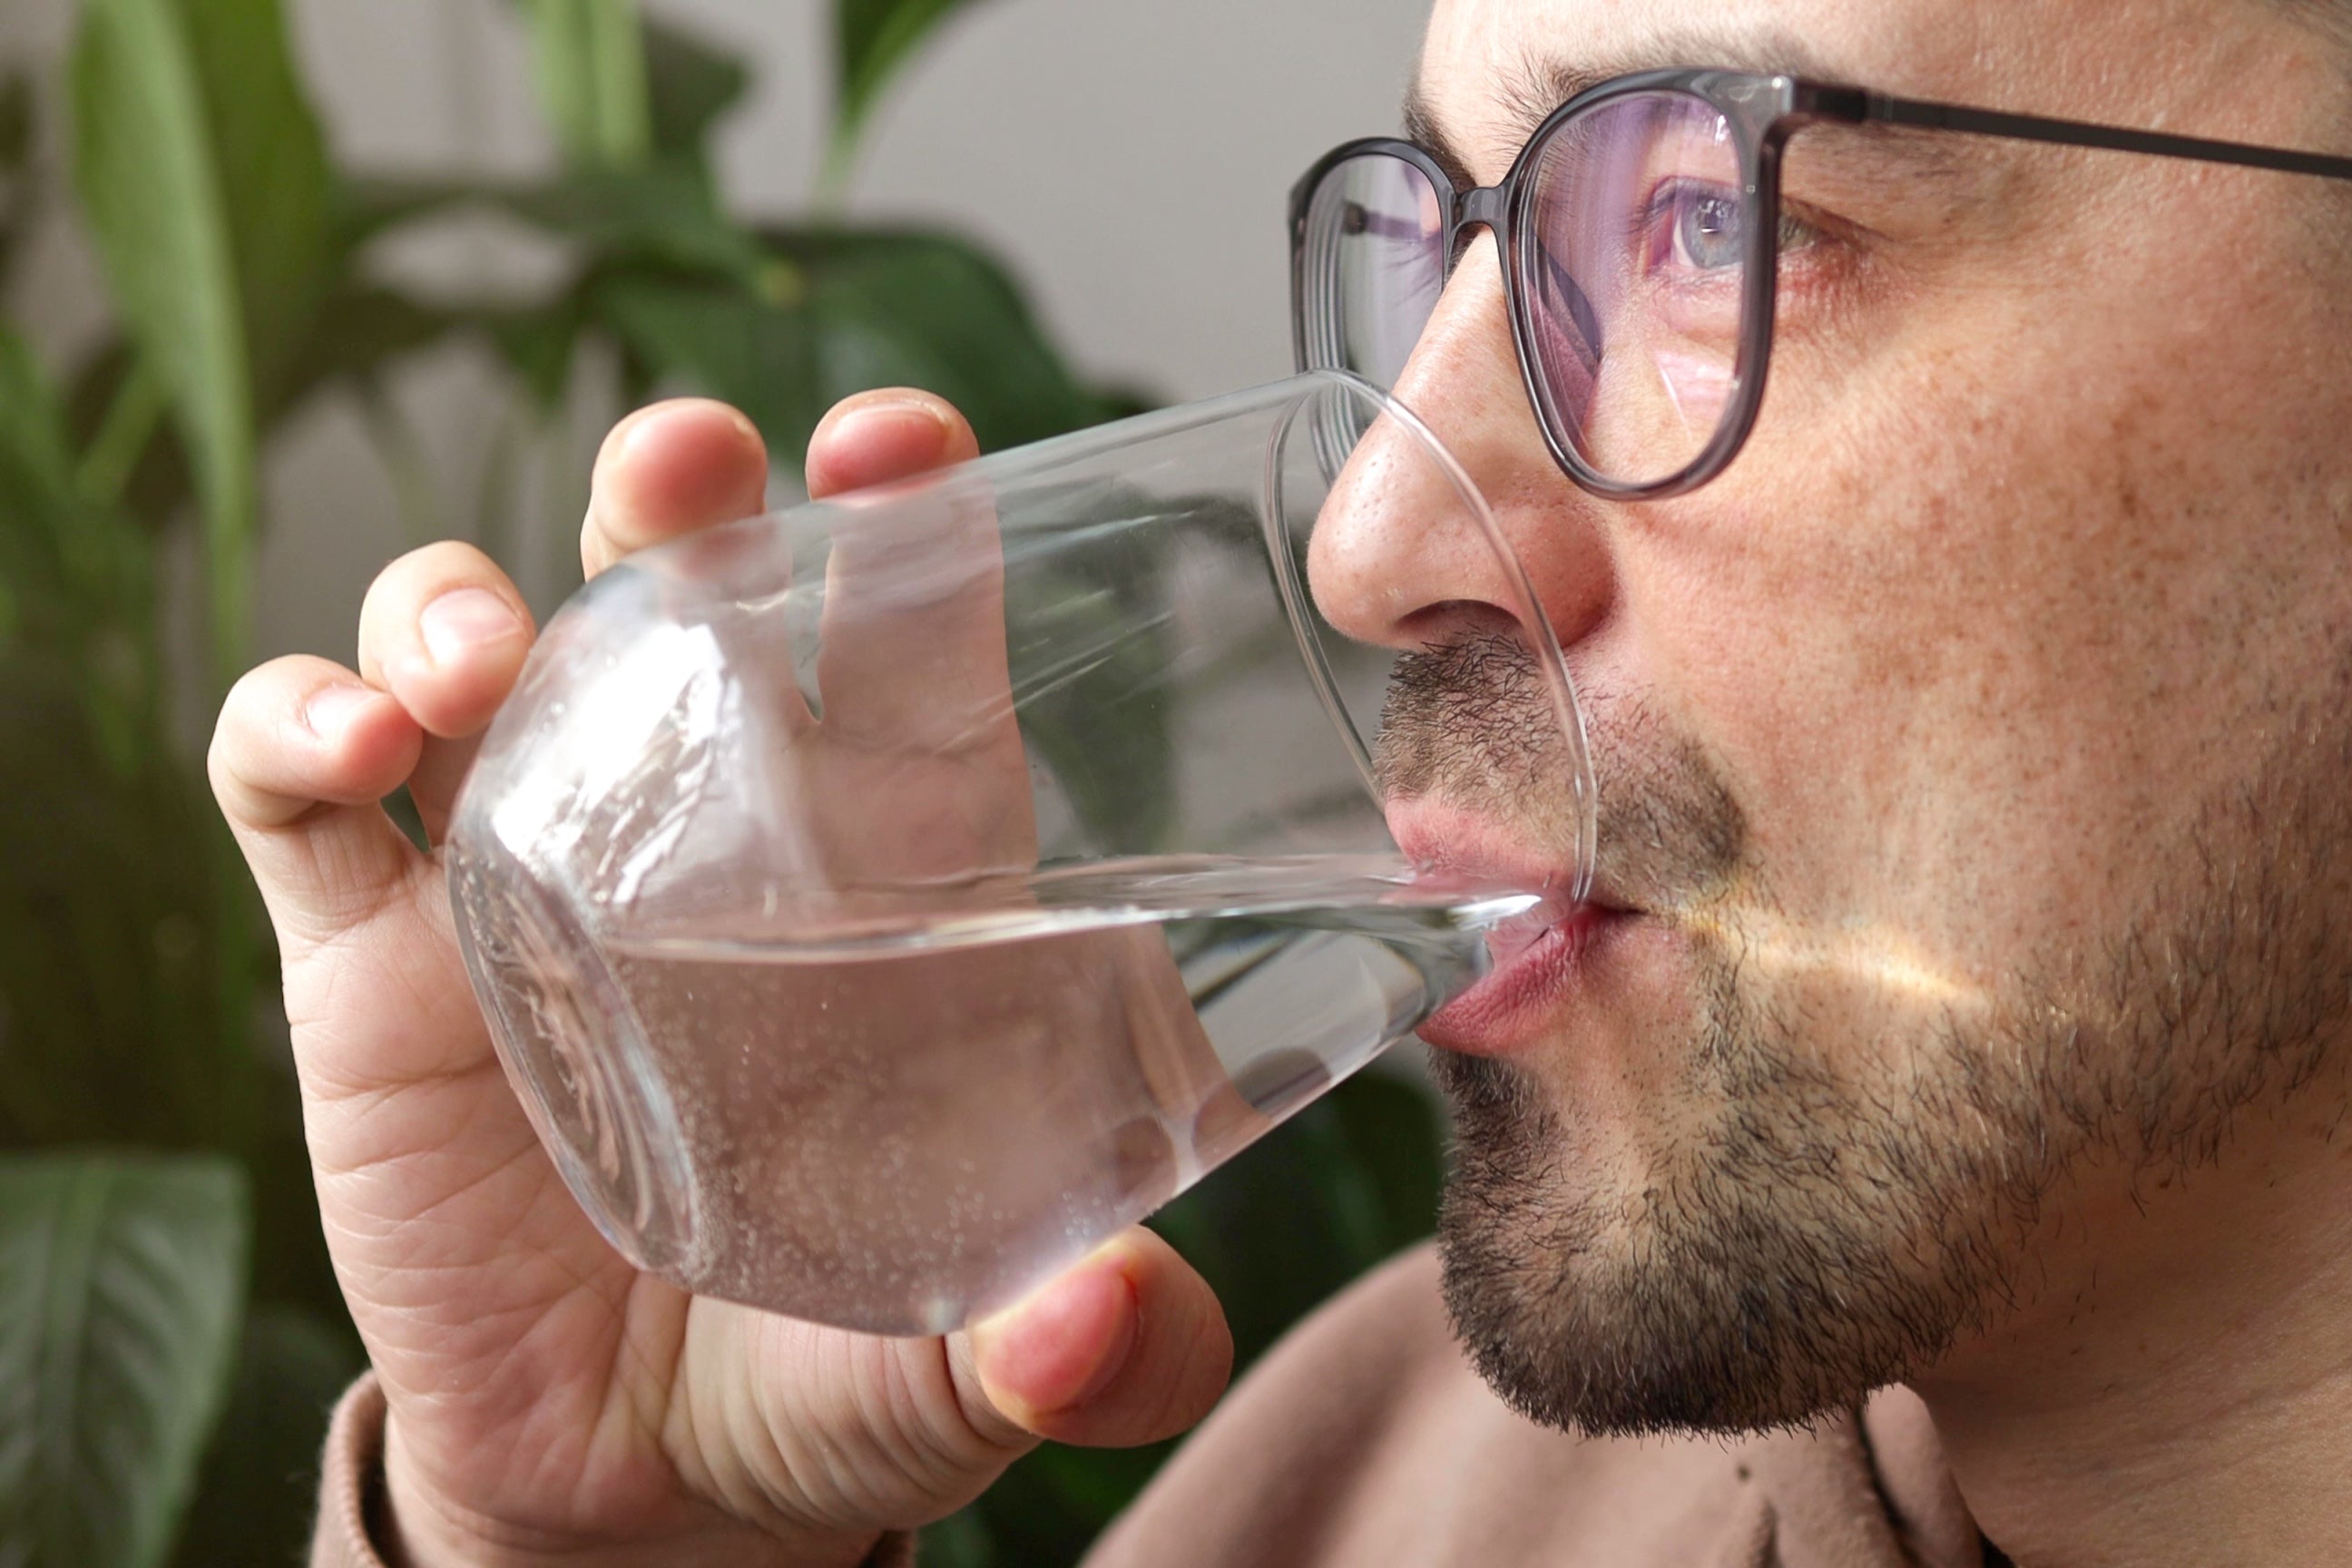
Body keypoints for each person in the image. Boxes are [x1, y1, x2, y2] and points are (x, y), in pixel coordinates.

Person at [210, 0, 2352, 1562]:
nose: (1375, 546)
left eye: (1707, 221)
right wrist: (600, 1557)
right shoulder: (1368, 1507)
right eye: (1452, 245)